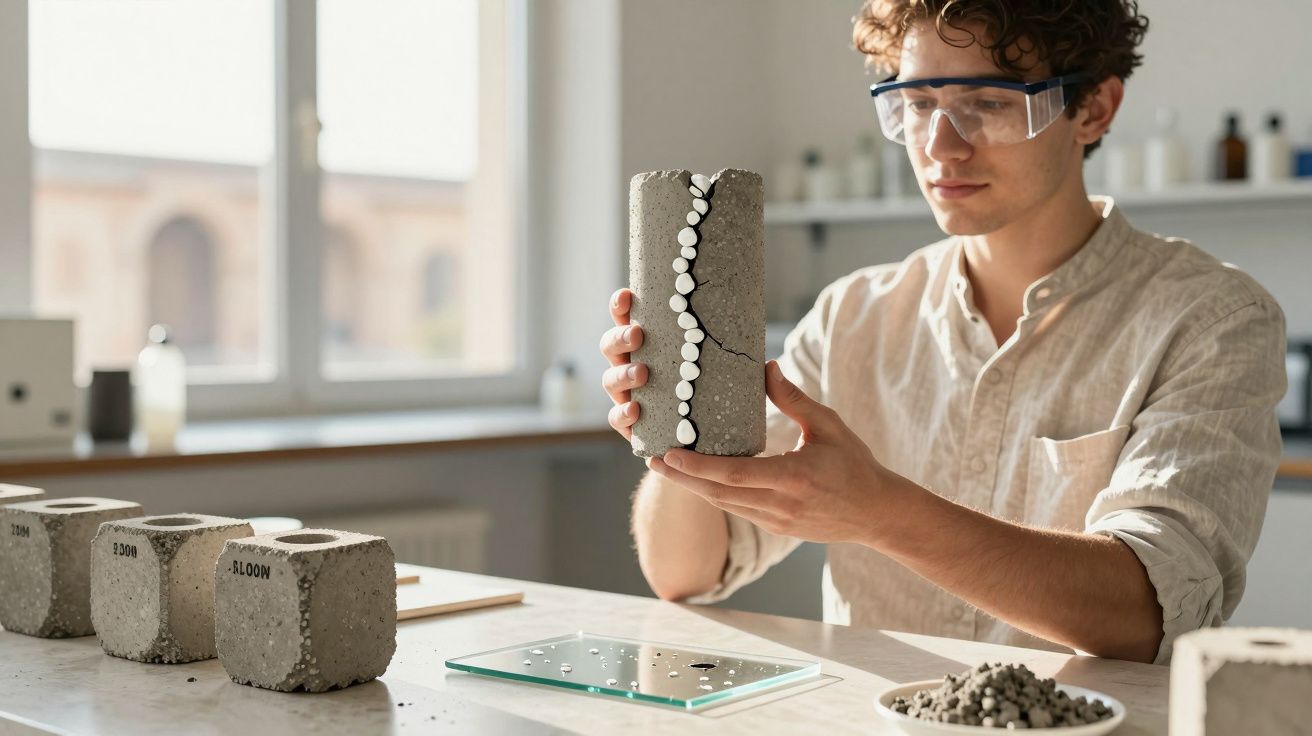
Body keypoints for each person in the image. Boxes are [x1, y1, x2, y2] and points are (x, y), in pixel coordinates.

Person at [598, 0, 1285, 665]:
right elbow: (684, 572)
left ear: (1093, 107)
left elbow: (1147, 615)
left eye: (988, 103)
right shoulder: (852, 316)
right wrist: (674, 415)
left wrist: (879, 511)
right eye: (918, 104)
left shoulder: (1211, 320)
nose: (940, 146)